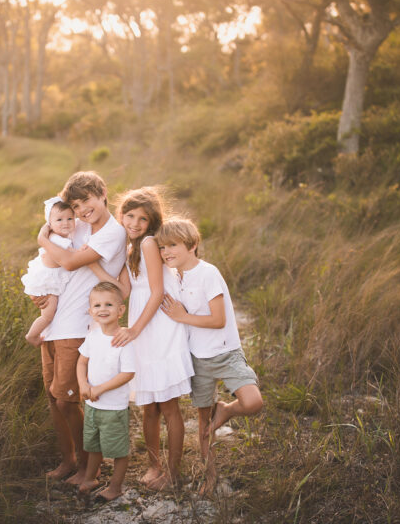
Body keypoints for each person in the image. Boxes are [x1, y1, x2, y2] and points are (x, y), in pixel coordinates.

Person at [88, 187, 192, 490]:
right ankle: (153, 465)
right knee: (148, 403)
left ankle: (172, 473)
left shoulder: (148, 243)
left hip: (157, 324)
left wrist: (133, 330)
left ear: (151, 222)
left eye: (142, 219)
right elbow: (123, 291)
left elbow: (157, 291)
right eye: (129, 216)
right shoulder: (132, 247)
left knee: (168, 405)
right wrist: (90, 263)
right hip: (142, 322)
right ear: (121, 215)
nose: (134, 222)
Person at [156, 217, 264, 494]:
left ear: (192, 245)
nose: (166, 252)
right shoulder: (174, 277)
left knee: (253, 403)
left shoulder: (208, 273)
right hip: (197, 359)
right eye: (162, 247)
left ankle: (226, 410)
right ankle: (210, 477)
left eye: (172, 245)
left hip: (225, 352)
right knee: (204, 424)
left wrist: (184, 316)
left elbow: (218, 320)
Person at [33, 171, 127, 485]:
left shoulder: (112, 232)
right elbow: (54, 258)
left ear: (102, 194)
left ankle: (91, 468)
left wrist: (43, 238)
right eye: (76, 205)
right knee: (53, 396)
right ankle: (68, 460)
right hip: (55, 322)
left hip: (78, 324)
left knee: (67, 400)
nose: (82, 209)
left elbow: (70, 261)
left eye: (86, 200)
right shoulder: (81, 225)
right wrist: (42, 290)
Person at [76, 282, 137, 503]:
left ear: (121, 310)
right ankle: (90, 478)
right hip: (92, 405)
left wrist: (100, 388)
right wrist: (83, 385)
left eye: (109, 304)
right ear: (91, 310)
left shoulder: (123, 340)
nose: (103, 309)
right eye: (97, 305)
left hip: (113, 407)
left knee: (118, 449)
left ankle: (115, 487)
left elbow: (128, 373)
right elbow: (82, 362)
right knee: (94, 445)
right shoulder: (93, 336)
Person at [21, 196, 76, 346]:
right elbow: (73, 254)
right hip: (47, 282)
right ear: (49, 224)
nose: (65, 223)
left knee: (49, 314)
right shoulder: (57, 239)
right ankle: (32, 335)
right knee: (48, 316)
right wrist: (84, 250)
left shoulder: (60, 236)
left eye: (70, 218)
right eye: (59, 220)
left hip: (49, 277)